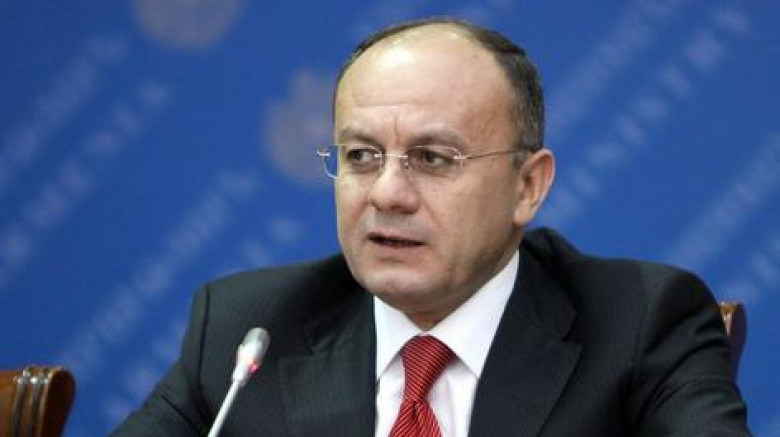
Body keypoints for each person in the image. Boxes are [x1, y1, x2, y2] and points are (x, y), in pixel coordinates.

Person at [112, 17, 750, 436]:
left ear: (528, 186)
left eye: (433, 159)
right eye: (362, 156)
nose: (387, 193)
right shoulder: (247, 332)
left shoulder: (641, 322)